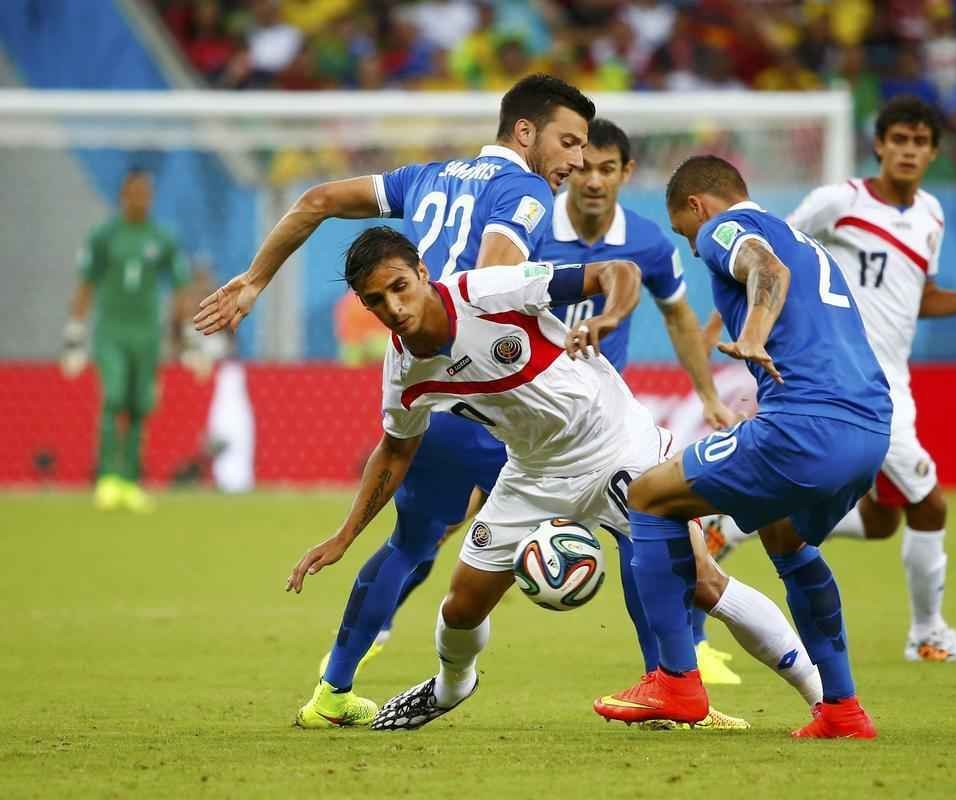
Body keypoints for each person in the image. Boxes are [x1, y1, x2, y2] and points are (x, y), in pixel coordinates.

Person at [285, 228, 822, 732]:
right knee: (460, 606)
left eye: (399, 287)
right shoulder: (405, 371)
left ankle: (826, 701)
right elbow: (395, 451)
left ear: (423, 273)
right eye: (376, 301)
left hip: (619, 446)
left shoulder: (488, 291)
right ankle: (451, 688)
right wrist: (344, 535)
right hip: (533, 473)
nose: (394, 308)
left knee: (702, 582)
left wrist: (609, 316)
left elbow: (617, 272)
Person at [195, 74, 594, 728]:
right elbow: (489, 278)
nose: (575, 161)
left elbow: (319, 197)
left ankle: (333, 688)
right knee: (641, 508)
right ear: (524, 133)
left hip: (423, 386)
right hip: (493, 393)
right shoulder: (521, 191)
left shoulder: (429, 177)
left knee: (413, 543)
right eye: (567, 142)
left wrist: (256, 278)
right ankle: (676, 672)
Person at [358, 117, 746, 688]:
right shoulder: (531, 226)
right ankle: (387, 637)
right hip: (507, 418)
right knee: (443, 529)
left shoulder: (649, 243)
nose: (592, 180)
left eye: (607, 170)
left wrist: (709, 393)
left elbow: (679, 318)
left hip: (597, 420)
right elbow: (479, 294)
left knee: (650, 538)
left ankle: (677, 665)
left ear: (625, 173)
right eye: (583, 165)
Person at [595, 155, 893, 739]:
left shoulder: (722, 229)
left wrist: (752, 331)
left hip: (805, 425)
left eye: (685, 230)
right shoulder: (810, 242)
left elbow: (765, 268)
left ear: (697, 207)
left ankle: (676, 680)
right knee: (787, 539)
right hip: (870, 428)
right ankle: (841, 709)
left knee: (650, 495)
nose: (691, 243)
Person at [786, 96, 956, 662]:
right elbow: (774, 254)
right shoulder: (839, 201)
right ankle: (928, 635)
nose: (909, 151)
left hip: (896, 380)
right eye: (899, 140)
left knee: (883, 518)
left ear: (933, 151)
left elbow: (921, 298)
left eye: (920, 142)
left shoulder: (930, 216)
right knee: (931, 504)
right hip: (850, 377)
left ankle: (766, 518)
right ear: (880, 145)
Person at [63, 168, 191, 513]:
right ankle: (106, 478)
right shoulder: (105, 235)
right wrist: (74, 335)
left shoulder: (162, 237)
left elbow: (180, 285)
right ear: (124, 195)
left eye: (146, 193)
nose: (140, 199)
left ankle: (129, 481)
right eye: (135, 193)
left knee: (139, 405)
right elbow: (86, 282)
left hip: (147, 333)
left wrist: (186, 335)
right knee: (114, 395)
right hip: (112, 331)